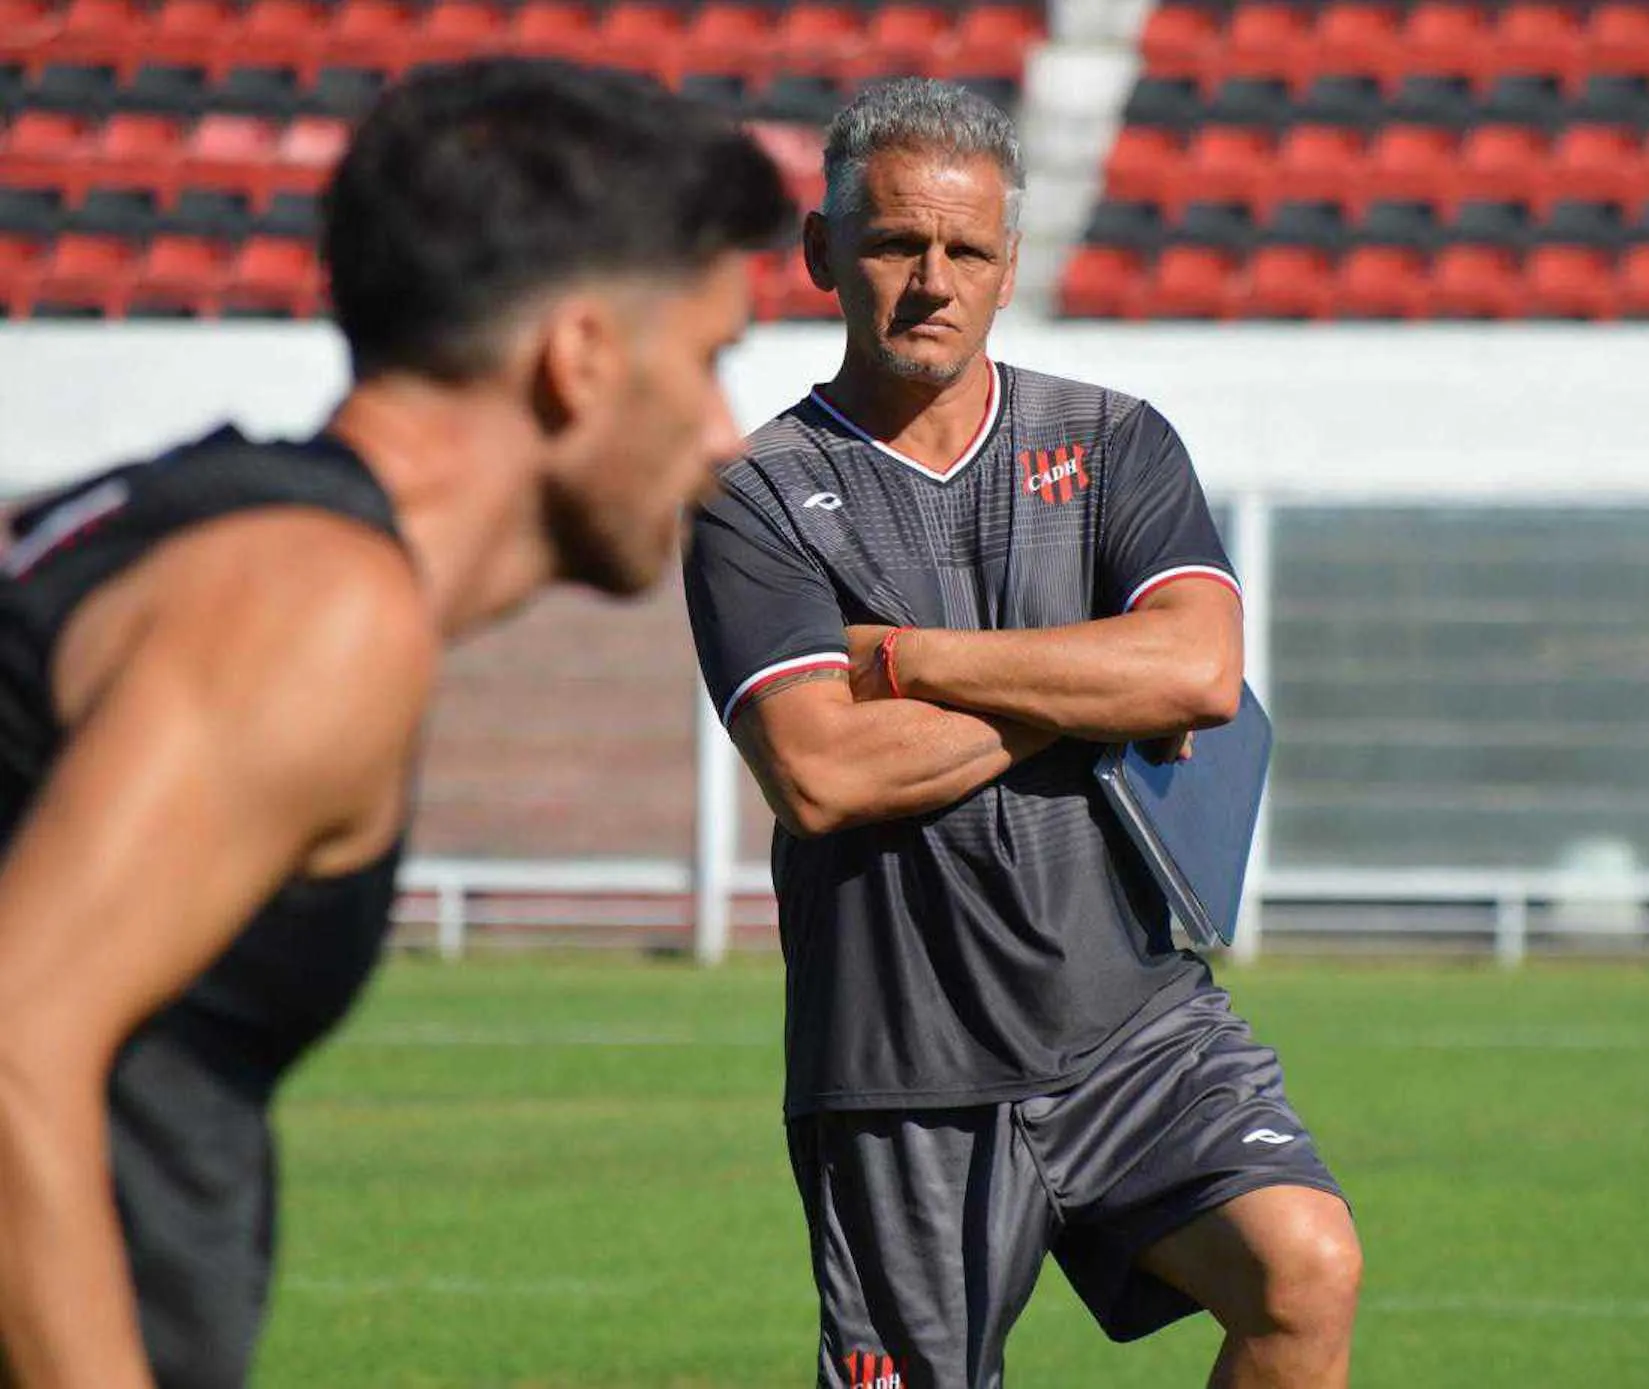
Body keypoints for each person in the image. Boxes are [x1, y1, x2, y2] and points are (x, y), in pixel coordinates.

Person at [0, 59, 791, 1389]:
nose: (726, 435)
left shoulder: (195, 523)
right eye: (711, 362)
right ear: (579, 358)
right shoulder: (316, 606)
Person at [683, 78, 1361, 1389]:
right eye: (894, 244)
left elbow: (1202, 672)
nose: (931, 280)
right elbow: (820, 771)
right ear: (822, 253)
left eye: (967, 251)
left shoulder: (1114, 444)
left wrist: (919, 662)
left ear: (1007, 268)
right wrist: (1089, 687)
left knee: (1304, 1271)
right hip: (900, 1073)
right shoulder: (752, 499)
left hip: (1136, 1032)